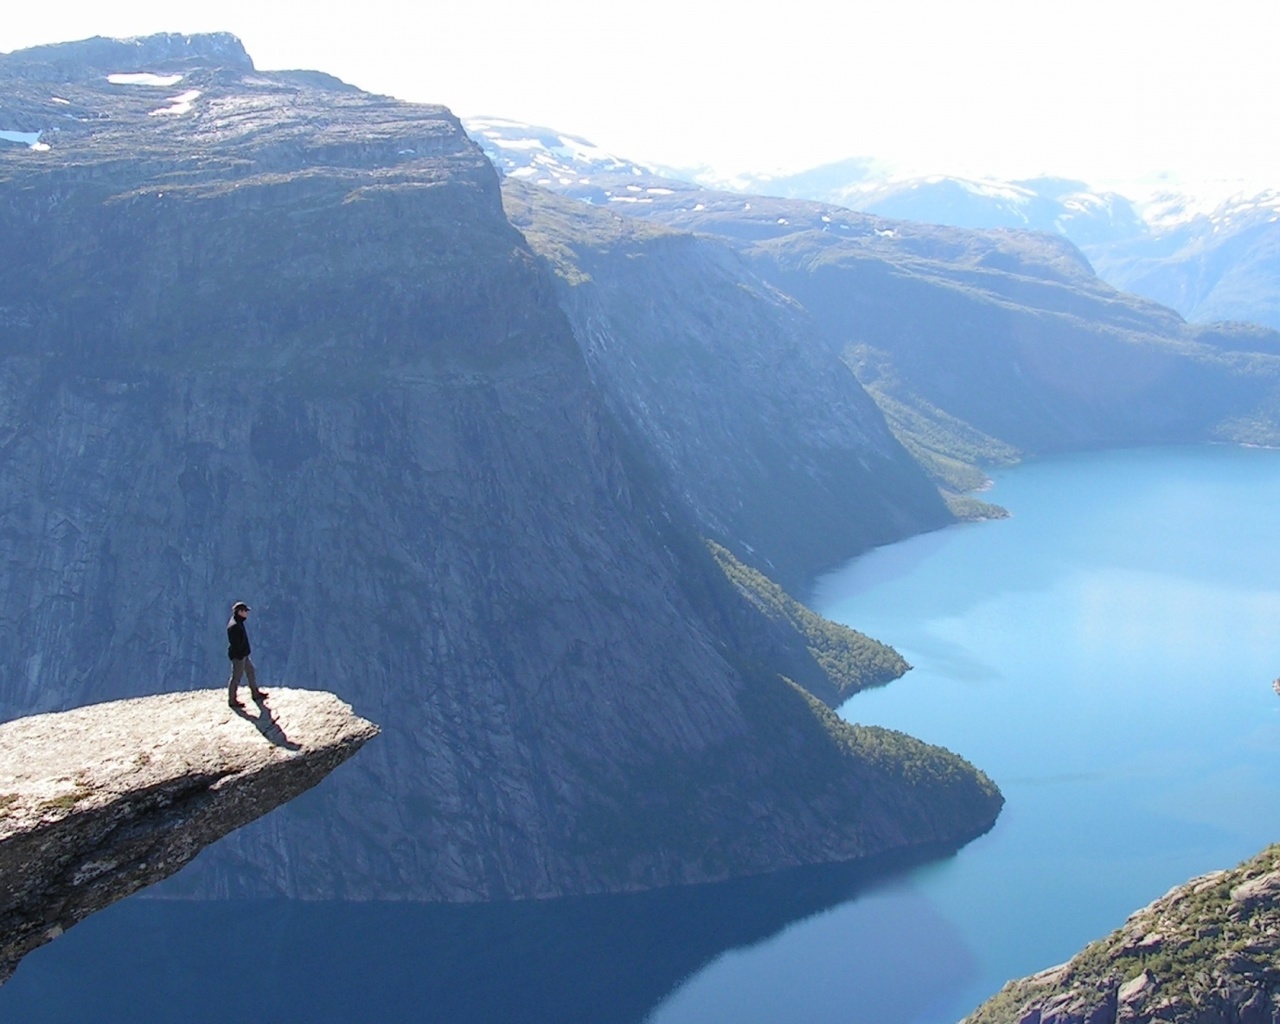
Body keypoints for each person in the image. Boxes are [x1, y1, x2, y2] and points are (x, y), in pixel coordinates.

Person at [226, 601, 267, 707]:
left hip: (243, 655)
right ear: (239, 612)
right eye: (245, 611)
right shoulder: (235, 626)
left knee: (250, 671)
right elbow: (236, 644)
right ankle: (232, 701)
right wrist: (241, 654)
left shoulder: (237, 621)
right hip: (239, 656)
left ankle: (255, 694)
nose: (246, 613)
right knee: (236, 677)